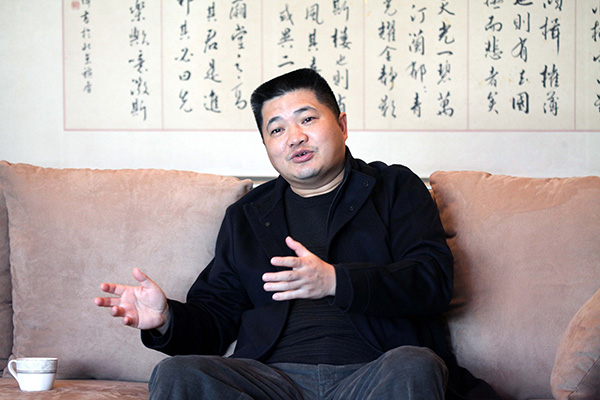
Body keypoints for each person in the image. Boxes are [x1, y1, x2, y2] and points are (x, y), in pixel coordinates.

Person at [95, 68, 497, 399]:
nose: (295, 137)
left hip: (374, 373)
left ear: (341, 125)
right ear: (266, 145)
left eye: (307, 119)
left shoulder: (394, 188)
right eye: (277, 130)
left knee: (415, 365)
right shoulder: (248, 216)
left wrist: (335, 281)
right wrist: (166, 319)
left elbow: (432, 281)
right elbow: (216, 317)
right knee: (178, 373)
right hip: (273, 381)